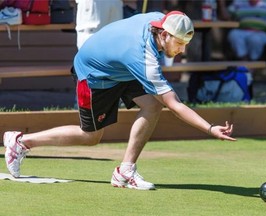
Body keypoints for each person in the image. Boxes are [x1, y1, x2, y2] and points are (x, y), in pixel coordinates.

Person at [3, 11, 236, 191]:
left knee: (152, 105)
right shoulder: (144, 59)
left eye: (186, 44)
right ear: (164, 35)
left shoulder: (160, 21)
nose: (182, 50)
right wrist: (210, 128)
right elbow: (175, 104)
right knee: (91, 137)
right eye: (179, 44)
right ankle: (22, 141)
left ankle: (125, 171)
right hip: (94, 75)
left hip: (121, 67)